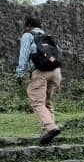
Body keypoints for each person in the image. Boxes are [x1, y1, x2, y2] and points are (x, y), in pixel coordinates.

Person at [16, 16, 63, 144]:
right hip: (56, 71)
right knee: (47, 102)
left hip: (40, 71)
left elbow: (24, 54)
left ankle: (51, 127)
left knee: (37, 102)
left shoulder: (28, 35)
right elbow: (55, 54)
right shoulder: (47, 36)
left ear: (28, 25)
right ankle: (50, 131)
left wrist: (20, 73)